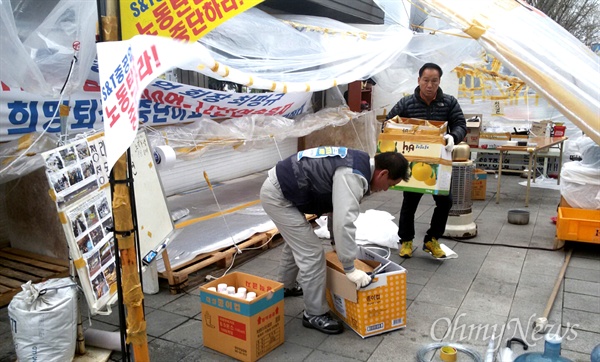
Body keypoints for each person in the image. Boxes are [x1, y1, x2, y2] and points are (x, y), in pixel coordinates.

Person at [259, 146, 410, 334]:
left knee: (299, 243)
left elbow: (334, 209)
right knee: (312, 252)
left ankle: (286, 286)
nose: (386, 189)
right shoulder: (353, 175)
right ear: (383, 173)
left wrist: (335, 243)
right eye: (390, 184)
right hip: (278, 195)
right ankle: (314, 314)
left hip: (284, 187)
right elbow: (343, 220)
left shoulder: (357, 162)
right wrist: (349, 268)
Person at [387, 62, 467, 259]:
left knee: (445, 202)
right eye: (426, 80)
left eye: (434, 81)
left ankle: (432, 239)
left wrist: (453, 137)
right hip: (413, 163)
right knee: (409, 203)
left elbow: (460, 124)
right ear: (419, 80)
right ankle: (406, 240)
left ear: (439, 82)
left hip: (439, 164)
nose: (429, 85)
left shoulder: (449, 103)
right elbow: (389, 122)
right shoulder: (406, 103)